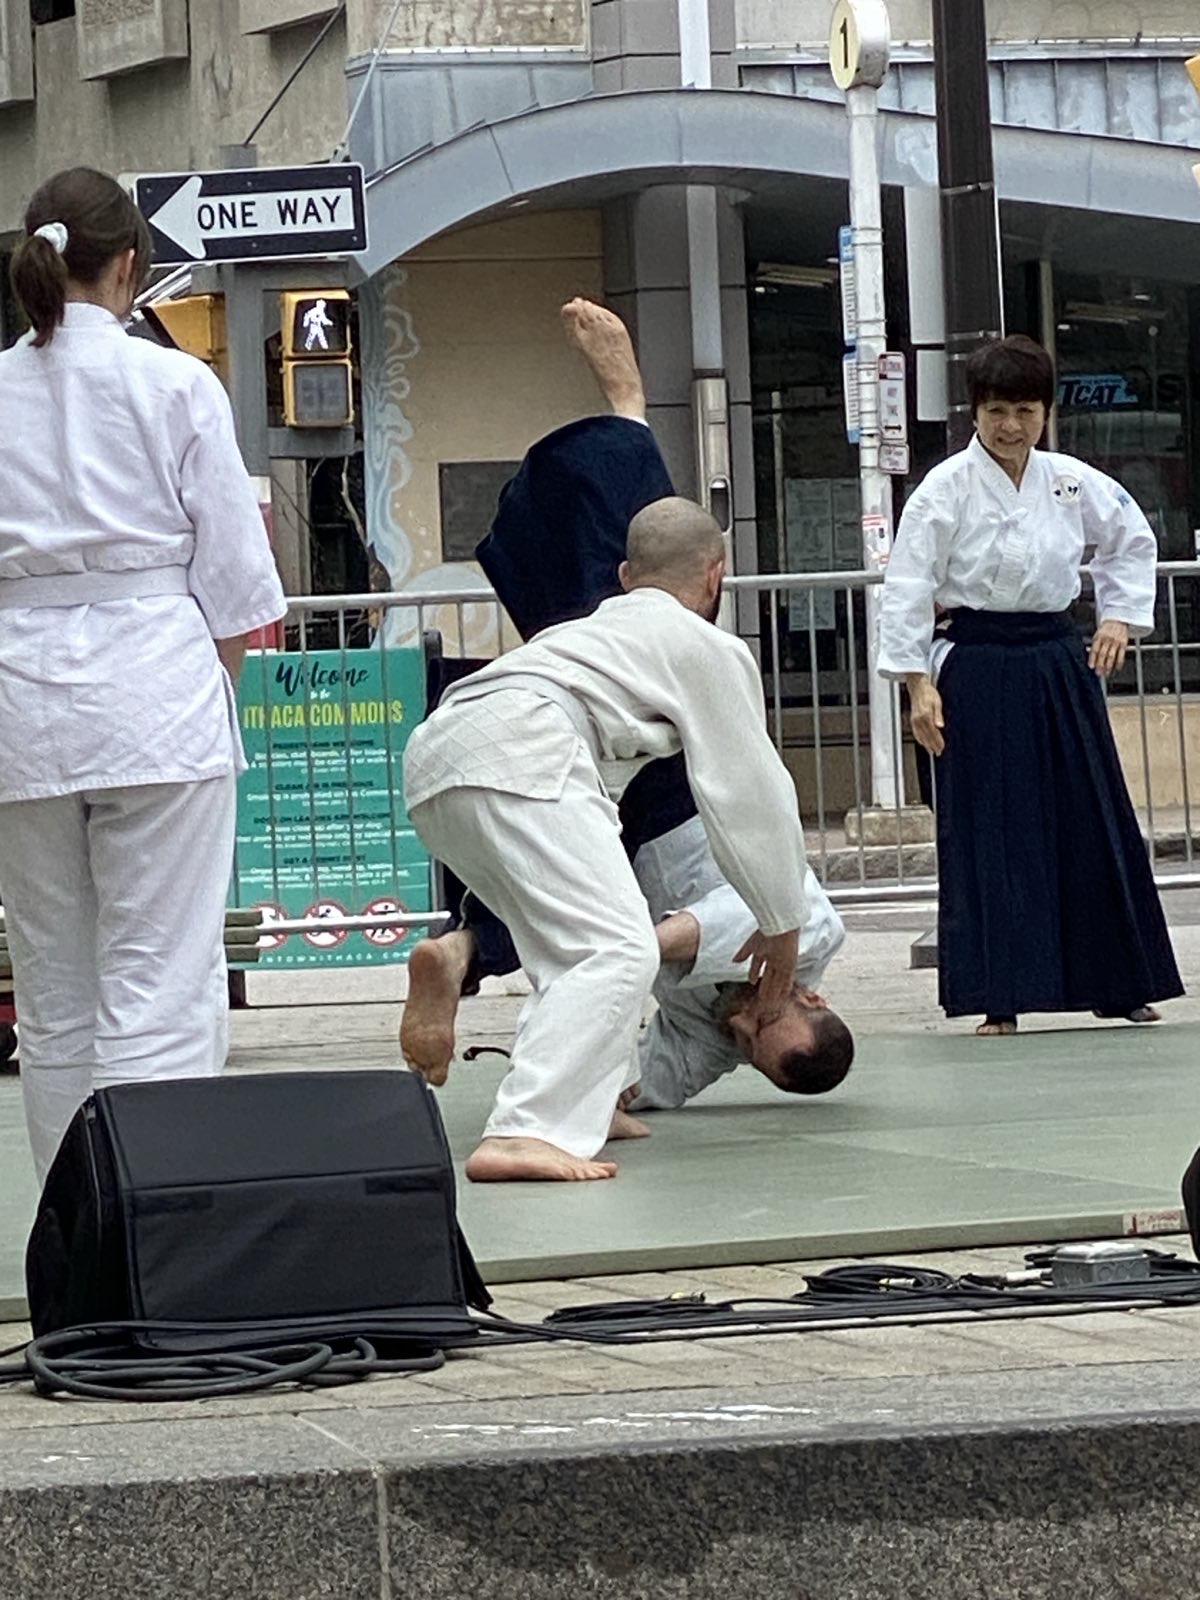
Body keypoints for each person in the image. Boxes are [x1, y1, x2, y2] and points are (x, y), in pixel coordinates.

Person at [0, 167, 286, 1184]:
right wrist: (213, 696)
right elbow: (238, 585)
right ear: (129, 265)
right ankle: (154, 1229)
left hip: (19, 703)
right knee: (159, 981)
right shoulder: (173, 384)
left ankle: (68, 1239)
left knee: (55, 989)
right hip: (157, 691)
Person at [403, 497, 808, 1183]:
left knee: (567, 947)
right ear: (716, 577)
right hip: (529, 749)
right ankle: (526, 1131)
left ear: (624, 575)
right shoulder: (705, 645)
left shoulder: (585, 634)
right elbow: (748, 791)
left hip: (437, 754)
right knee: (618, 947)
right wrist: (782, 923)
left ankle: (596, 1097)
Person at [877, 334, 1183, 1036]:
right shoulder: (945, 489)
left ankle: (1120, 982)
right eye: (994, 411)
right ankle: (1000, 994)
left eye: (1023, 410)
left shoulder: (1070, 481)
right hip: (978, 659)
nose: (1009, 426)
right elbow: (908, 585)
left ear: (1044, 412)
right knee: (991, 829)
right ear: (974, 414)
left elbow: (1133, 540)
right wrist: (917, 684)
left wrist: (1119, 619)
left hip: (1055, 655)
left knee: (1091, 816)